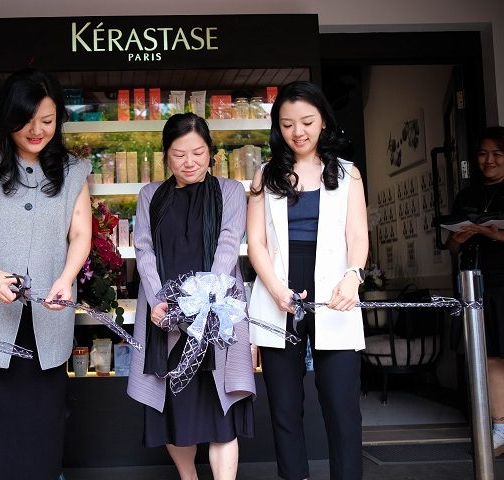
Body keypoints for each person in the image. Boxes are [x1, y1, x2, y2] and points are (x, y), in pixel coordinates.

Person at [0, 68, 92, 479]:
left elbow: (81, 233)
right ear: (8, 117)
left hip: (48, 321)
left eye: (47, 121)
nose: (37, 131)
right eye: (26, 121)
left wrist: (65, 278)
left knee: (42, 439)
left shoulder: (73, 170)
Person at [247, 81, 368, 480]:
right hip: (280, 288)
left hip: (336, 290)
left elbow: (358, 236)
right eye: (287, 124)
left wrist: (353, 277)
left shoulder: (348, 174)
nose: (297, 132)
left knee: (341, 403)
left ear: (323, 122)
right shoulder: (265, 175)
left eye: (307, 122)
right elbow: (256, 242)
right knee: (284, 405)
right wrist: (275, 288)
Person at [127, 112, 256, 480]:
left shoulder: (230, 190)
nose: (189, 162)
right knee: (174, 407)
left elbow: (228, 245)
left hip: (216, 311)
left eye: (198, 153)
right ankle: (189, 477)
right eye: (179, 154)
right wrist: (159, 302)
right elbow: (144, 249)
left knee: (222, 409)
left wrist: (203, 301)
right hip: (165, 313)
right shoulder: (150, 195)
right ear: (165, 155)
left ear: (210, 151)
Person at [446, 126, 504, 457]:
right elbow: (451, 247)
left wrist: (495, 235)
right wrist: (459, 239)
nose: (489, 160)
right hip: (478, 283)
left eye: (497, 154)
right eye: (483, 154)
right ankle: (500, 428)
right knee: (489, 355)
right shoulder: (467, 196)